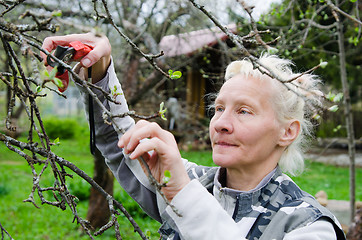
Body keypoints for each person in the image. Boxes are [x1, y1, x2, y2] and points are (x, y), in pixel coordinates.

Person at [42, 33, 346, 240]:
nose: (220, 124)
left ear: (287, 131)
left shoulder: (308, 226)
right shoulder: (192, 182)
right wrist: (100, 69)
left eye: (244, 111)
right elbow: (119, 144)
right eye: (219, 108)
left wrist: (182, 194)